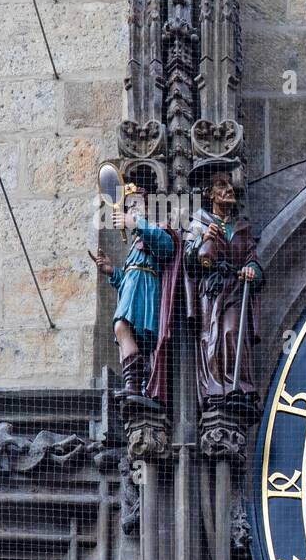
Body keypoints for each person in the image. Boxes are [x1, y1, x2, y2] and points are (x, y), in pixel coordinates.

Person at [183, 170, 262, 405]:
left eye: (229, 184)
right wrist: (202, 239)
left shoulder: (241, 227)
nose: (229, 189)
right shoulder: (199, 223)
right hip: (211, 289)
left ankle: (237, 384)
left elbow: (253, 259)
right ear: (210, 194)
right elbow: (188, 260)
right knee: (213, 335)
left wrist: (251, 269)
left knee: (233, 332)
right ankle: (214, 388)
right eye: (221, 185)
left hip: (236, 287)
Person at [89, 192, 175, 402]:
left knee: (121, 327)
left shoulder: (157, 229)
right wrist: (112, 272)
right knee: (125, 336)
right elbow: (127, 280)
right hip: (133, 288)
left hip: (146, 289)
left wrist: (135, 222)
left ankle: (134, 384)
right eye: (129, 207)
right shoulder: (136, 242)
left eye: (136, 204)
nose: (131, 209)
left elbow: (166, 249)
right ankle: (138, 385)